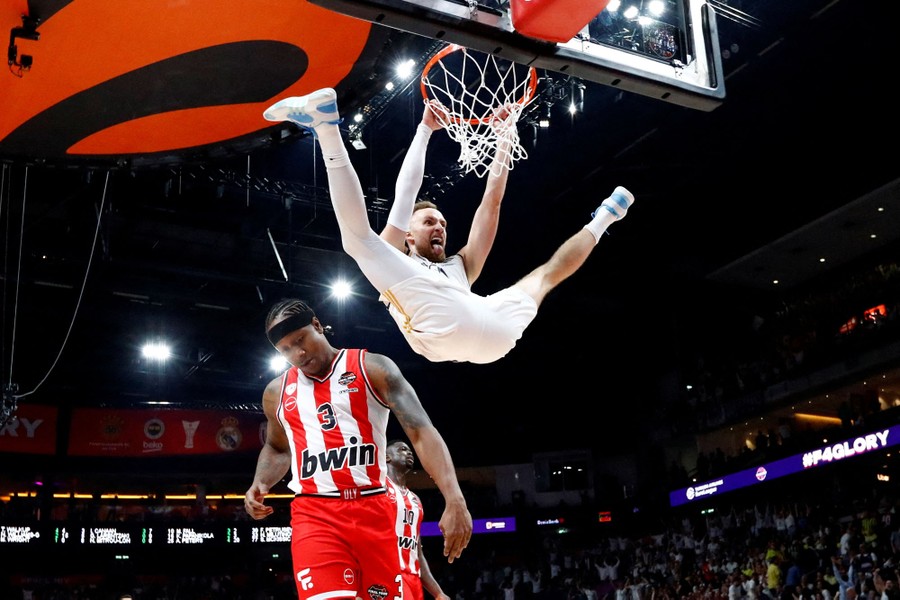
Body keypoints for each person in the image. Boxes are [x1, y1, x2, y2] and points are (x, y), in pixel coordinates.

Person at [262, 88, 635, 364]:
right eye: (428, 222)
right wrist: (424, 131)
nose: (439, 226)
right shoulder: (395, 251)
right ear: (408, 235)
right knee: (363, 240)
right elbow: (405, 193)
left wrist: (505, 135)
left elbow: (492, 200)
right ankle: (325, 125)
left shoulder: (461, 266)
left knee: (547, 275)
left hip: (478, 323)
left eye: (442, 222)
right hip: (486, 338)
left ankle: (606, 216)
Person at [244, 298, 472, 600]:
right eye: (285, 349)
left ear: (316, 326)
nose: (296, 353)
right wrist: (261, 481)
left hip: (374, 509)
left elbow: (421, 432)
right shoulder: (276, 392)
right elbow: (276, 448)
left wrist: (454, 498)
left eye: (300, 340)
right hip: (316, 512)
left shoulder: (372, 368)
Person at [385, 438, 450, 600]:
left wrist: (438, 592)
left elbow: (417, 553)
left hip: (413, 579)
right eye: (402, 449)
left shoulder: (415, 500)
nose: (408, 453)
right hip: (388, 574)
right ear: (386, 457)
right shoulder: (378, 488)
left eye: (409, 450)